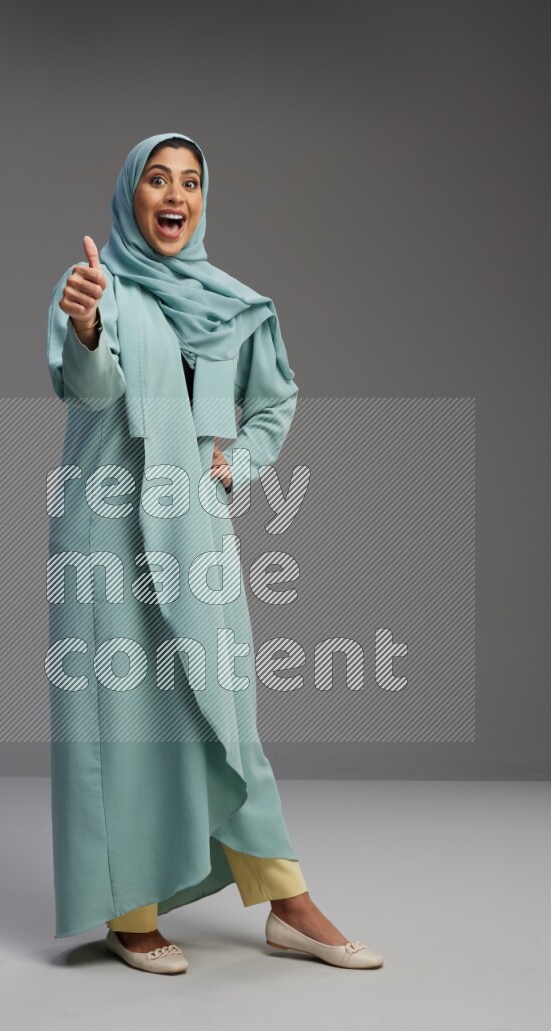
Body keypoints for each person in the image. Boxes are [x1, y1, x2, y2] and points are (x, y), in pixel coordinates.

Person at [46, 131, 383, 974]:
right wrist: (85, 325)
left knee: (224, 707)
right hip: (109, 530)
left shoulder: (238, 304)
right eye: (156, 178)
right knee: (126, 722)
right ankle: (132, 911)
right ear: (130, 194)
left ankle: (286, 901)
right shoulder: (98, 287)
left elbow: (275, 401)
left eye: (190, 181)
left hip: (195, 526)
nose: (174, 193)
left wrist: (239, 464)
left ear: (203, 200)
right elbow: (90, 386)